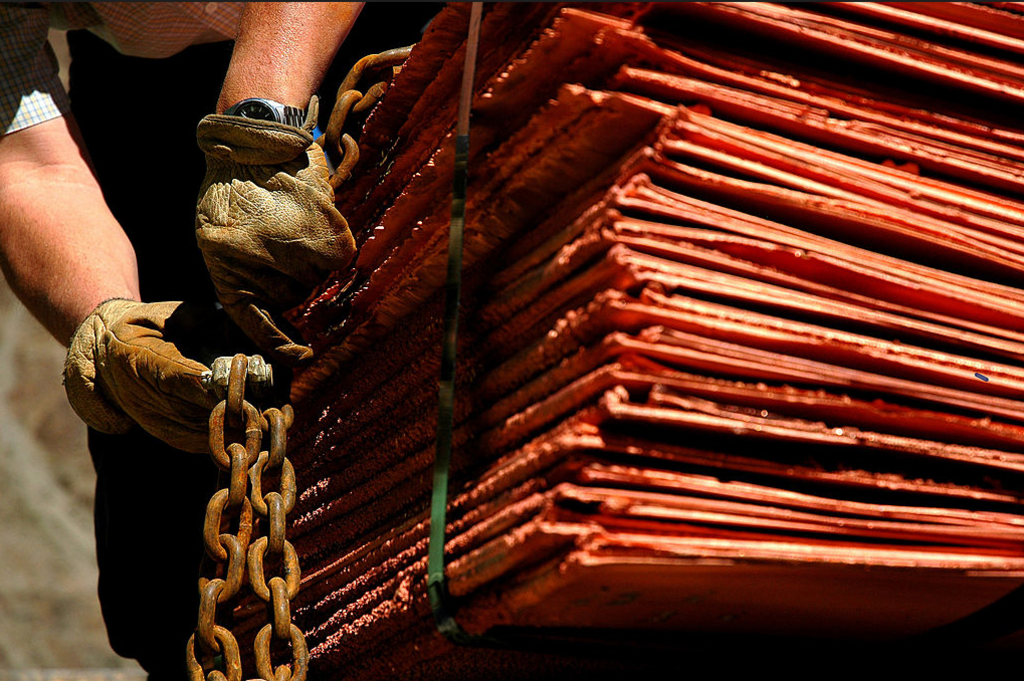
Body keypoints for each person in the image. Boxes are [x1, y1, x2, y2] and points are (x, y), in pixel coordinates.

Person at [0, 2, 438, 677]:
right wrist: (109, 321)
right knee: (171, 552)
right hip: (147, 98)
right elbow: (29, 161)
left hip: (382, 32)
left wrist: (258, 126)